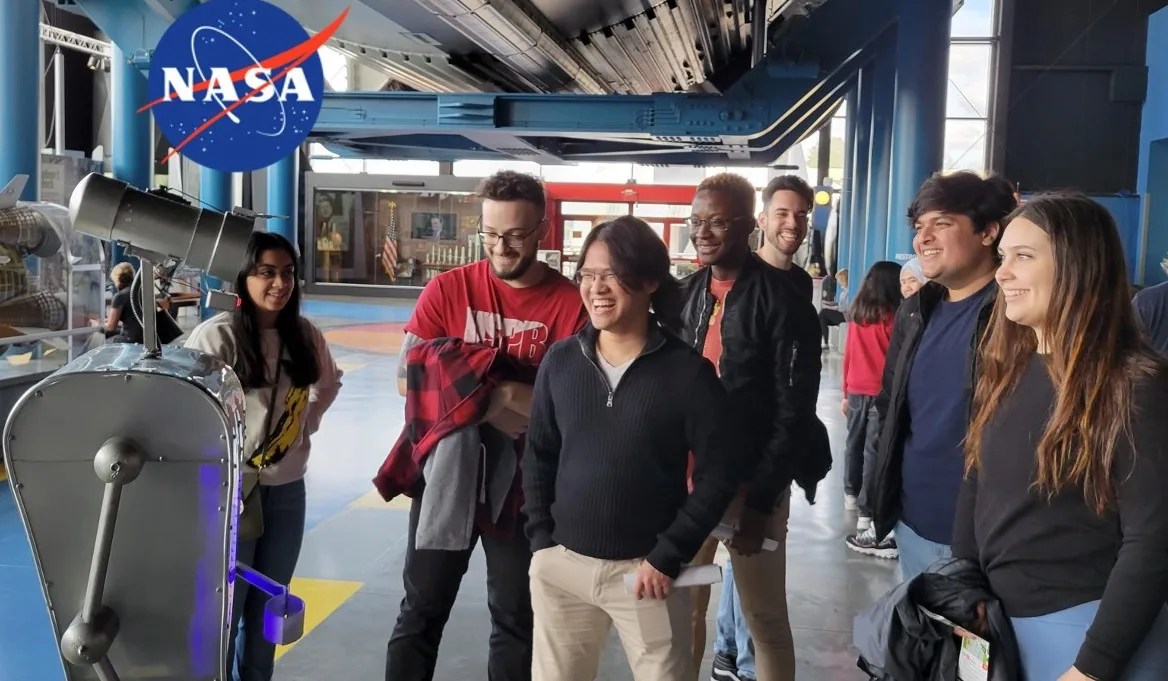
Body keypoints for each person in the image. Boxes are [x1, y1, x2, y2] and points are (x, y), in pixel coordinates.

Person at [384, 170, 587, 681]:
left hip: (526, 488)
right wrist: (508, 396)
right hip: (447, 477)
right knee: (421, 609)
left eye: (515, 235)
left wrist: (473, 389)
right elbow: (408, 384)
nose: (501, 247)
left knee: (516, 616)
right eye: (491, 233)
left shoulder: (569, 305)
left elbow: (572, 407)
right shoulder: (447, 289)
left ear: (542, 229)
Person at [955, 193, 1168, 680]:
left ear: (1078, 265)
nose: (1002, 273)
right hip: (1002, 626)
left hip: (1086, 635)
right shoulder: (1006, 371)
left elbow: (1152, 540)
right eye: (1003, 257)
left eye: (1023, 257)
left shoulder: (1133, 385)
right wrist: (965, 594)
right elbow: (975, 487)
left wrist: (1093, 667)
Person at [523, 216, 740, 681]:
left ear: (648, 281)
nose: (597, 288)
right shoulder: (562, 362)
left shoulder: (688, 374)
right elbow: (539, 454)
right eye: (588, 274)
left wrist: (668, 554)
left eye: (613, 274)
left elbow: (719, 473)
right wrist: (542, 543)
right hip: (563, 568)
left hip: (649, 577)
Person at [680, 172, 824, 681]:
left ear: (746, 225)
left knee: (764, 619)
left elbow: (793, 413)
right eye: (697, 221)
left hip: (749, 488)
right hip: (688, 488)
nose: (703, 232)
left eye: (717, 221)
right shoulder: (688, 294)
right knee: (682, 613)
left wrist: (761, 503)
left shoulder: (783, 303)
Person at [184, 231, 343, 681]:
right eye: (267, 273)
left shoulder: (305, 336)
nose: (280, 284)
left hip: (287, 491)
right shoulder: (218, 338)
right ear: (244, 278)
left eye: (288, 273)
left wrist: (303, 426)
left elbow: (328, 384)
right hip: (230, 494)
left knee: (273, 602)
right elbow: (188, 409)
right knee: (225, 605)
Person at [855, 171, 1016, 575]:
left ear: (988, 232)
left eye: (941, 224)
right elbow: (890, 403)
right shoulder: (916, 310)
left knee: (978, 640)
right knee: (925, 636)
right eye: (919, 226)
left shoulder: (1013, 315)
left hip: (985, 537)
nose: (923, 238)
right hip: (911, 522)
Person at [839, 261, 901, 558]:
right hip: (880, 392)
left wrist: (844, 392)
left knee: (853, 443)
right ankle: (866, 511)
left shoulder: (857, 315)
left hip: (855, 388)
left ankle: (850, 493)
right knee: (873, 451)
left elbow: (848, 355)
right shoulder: (893, 318)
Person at [753, 175, 814, 299]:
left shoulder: (803, 281)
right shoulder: (741, 276)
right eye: (782, 214)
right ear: (763, 221)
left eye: (800, 215)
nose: (793, 224)